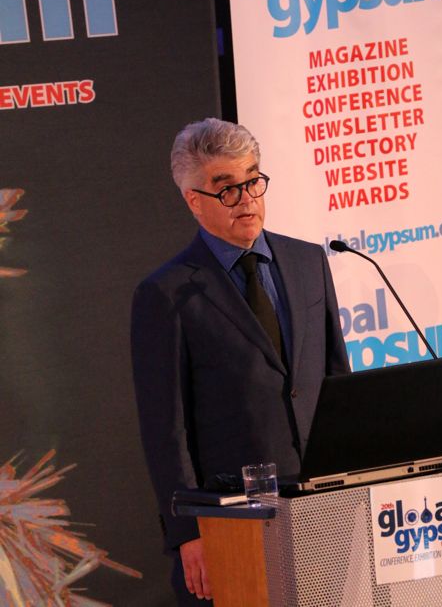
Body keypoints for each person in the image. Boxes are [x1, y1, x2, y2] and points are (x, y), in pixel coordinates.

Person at [131, 117, 349, 604]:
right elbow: (165, 429)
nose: (247, 199)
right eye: (227, 188)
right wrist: (188, 533)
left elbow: (337, 381)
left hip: (326, 511)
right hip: (232, 523)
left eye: (253, 180)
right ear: (194, 200)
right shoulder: (166, 293)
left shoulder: (309, 261)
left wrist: (354, 486)